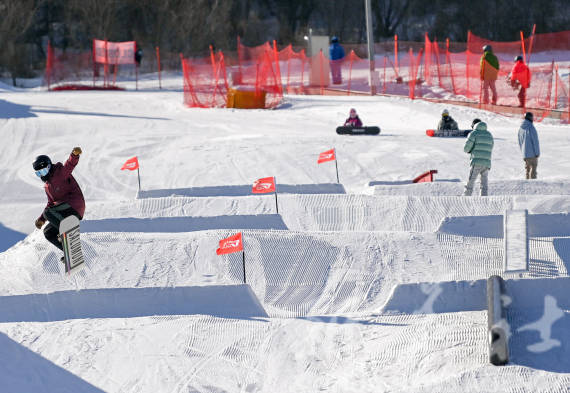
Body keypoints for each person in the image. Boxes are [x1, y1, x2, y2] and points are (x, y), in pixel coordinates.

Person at [34, 147, 85, 260]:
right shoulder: (47, 186)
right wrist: (41, 219)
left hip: (74, 205)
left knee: (48, 212)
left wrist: (74, 155)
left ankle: (67, 233)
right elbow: (50, 204)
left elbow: (69, 165)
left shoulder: (59, 172)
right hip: (64, 210)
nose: (42, 175)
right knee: (48, 232)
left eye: (43, 171)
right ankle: (70, 254)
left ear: (49, 166)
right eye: (39, 173)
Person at [463, 122, 494, 196]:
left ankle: (466, 196)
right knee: (484, 182)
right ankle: (484, 198)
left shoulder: (473, 133)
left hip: (476, 161)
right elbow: (491, 147)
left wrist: (470, 150)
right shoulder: (489, 135)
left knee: (471, 180)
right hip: (486, 162)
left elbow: (466, 149)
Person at [517, 112, 540, 179]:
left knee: (527, 171)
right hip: (532, 154)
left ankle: (527, 185)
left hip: (525, 154)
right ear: (530, 118)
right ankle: (532, 186)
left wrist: (523, 153)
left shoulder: (520, 129)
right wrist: (537, 153)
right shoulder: (531, 127)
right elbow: (535, 141)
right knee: (533, 170)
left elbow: (520, 142)